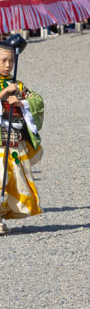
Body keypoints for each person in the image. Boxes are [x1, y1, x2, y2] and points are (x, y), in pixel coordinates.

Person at [0, 37, 45, 235]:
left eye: (11, 60)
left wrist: (21, 103)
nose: (8, 65)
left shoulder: (17, 84)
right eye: (3, 60)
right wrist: (3, 93)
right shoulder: (8, 85)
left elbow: (36, 101)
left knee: (11, 181)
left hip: (13, 141)